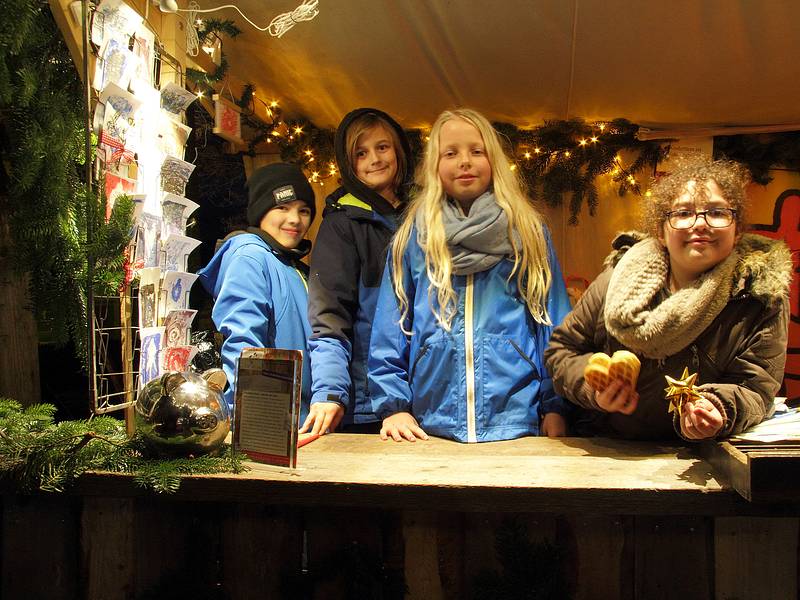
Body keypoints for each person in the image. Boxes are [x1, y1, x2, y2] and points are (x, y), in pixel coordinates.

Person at [544, 158, 792, 441]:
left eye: (717, 212)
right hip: (607, 446)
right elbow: (562, 352)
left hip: (702, 457)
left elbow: (757, 386)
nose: (700, 224)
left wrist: (719, 406)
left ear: (736, 231)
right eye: (684, 213)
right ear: (661, 231)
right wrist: (593, 389)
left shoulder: (760, 295)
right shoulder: (616, 280)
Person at [368, 108, 572, 443]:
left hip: (516, 422)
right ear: (435, 165)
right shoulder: (414, 237)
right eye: (450, 153)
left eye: (477, 151)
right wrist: (394, 406)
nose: (464, 162)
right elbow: (390, 327)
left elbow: (553, 324)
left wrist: (556, 406)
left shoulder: (527, 233)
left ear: (494, 160)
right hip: (430, 426)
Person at [302, 108, 414, 436]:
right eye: (361, 153)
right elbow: (329, 316)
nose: (374, 159)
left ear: (399, 151)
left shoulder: (426, 213)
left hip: (427, 394)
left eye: (382, 147)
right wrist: (330, 391)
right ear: (348, 163)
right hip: (369, 402)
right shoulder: (341, 224)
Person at [197, 162, 316, 421]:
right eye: (282, 207)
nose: (295, 219)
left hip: (302, 420)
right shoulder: (250, 258)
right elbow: (243, 344)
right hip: (273, 424)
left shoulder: (292, 265)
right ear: (260, 210)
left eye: (304, 210)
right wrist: (253, 421)